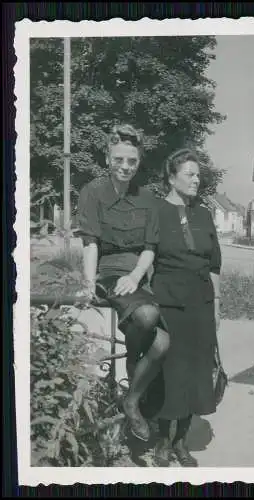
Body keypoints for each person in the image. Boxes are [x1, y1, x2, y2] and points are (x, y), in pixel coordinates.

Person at [76, 123, 170, 443]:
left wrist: (135, 275)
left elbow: (150, 248)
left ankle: (131, 400)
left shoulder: (148, 199)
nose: (125, 166)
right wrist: (89, 284)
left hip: (138, 276)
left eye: (131, 161)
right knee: (147, 317)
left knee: (163, 344)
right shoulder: (92, 192)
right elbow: (90, 243)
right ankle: (133, 371)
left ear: (139, 161)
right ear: (108, 158)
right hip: (107, 272)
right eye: (119, 159)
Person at [150, 148, 222, 467]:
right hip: (168, 299)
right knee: (171, 370)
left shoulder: (204, 213)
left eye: (198, 174)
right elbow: (148, 256)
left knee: (196, 370)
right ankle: (163, 441)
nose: (196, 179)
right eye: (189, 174)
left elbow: (215, 264)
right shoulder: (156, 211)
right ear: (171, 177)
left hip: (201, 302)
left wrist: (217, 304)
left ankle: (182, 442)